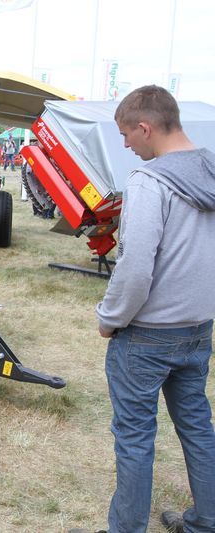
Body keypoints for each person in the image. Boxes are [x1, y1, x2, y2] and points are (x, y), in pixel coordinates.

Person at [93, 85, 215, 533]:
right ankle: (207, 521)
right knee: (198, 428)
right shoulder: (211, 169)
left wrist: (109, 319)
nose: (125, 145)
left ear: (145, 128)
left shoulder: (150, 181)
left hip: (147, 335)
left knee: (135, 440)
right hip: (198, 328)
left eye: (126, 135)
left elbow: (135, 265)